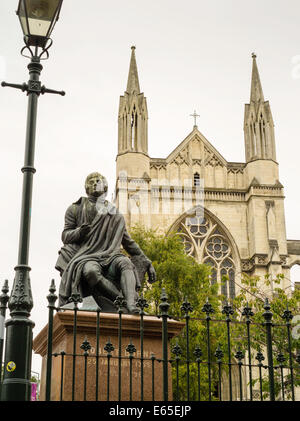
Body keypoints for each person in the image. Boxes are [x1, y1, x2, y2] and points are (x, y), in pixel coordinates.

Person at [55, 172, 156, 313]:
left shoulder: (115, 214)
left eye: (99, 180)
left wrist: (146, 260)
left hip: (110, 255)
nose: (95, 183)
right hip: (87, 256)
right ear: (86, 188)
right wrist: (79, 232)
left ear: (106, 187)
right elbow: (65, 236)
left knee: (126, 263)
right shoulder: (75, 209)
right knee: (91, 272)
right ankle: (123, 301)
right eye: (91, 181)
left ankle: (132, 305)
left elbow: (128, 242)